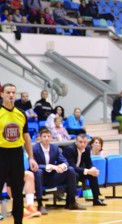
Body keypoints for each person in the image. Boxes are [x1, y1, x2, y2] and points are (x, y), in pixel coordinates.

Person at [0, 83, 39, 223]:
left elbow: (26, 137)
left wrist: (31, 158)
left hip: (16, 155)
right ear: (2, 94)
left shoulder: (21, 113)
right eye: (8, 92)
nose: (11, 95)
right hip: (1, 155)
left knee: (17, 193)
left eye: (13, 92)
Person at [33, 127, 85, 211]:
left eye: (48, 136)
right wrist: (51, 166)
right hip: (41, 177)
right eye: (44, 136)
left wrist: (62, 166)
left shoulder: (55, 148)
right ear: (40, 138)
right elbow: (34, 165)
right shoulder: (34, 149)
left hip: (53, 177)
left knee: (70, 170)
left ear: (51, 138)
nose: (47, 138)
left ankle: (72, 202)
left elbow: (65, 161)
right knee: (38, 172)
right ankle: (40, 204)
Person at [62, 134, 106, 206]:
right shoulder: (70, 149)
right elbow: (71, 166)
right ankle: (70, 201)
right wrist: (87, 171)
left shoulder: (87, 149)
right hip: (68, 173)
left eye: (85, 142)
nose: (83, 144)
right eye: (80, 142)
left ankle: (96, 199)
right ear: (76, 142)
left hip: (78, 171)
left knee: (93, 175)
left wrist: (92, 168)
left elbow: (89, 163)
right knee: (75, 175)